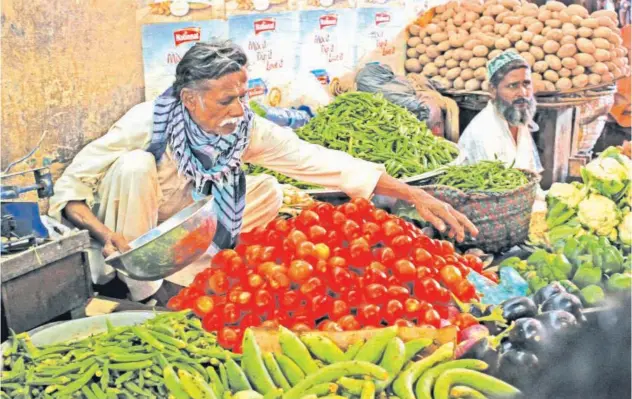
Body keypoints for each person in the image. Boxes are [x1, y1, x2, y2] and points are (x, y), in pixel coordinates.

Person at [49, 39, 478, 303]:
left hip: (181, 224)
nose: (239, 110)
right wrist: (108, 237)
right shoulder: (147, 123)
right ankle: (145, 291)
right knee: (135, 166)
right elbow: (70, 189)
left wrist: (414, 194)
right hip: (129, 232)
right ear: (189, 99)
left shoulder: (242, 127)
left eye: (241, 95)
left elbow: (318, 161)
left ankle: (190, 273)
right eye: (225, 100)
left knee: (267, 189)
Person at [458, 52, 544, 174]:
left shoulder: (517, 120)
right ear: (493, 90)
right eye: (513, 86)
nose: (523, 93)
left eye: (526, 84)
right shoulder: (484, 131)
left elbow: (530, 175)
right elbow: (494, 189)